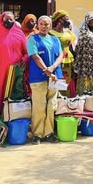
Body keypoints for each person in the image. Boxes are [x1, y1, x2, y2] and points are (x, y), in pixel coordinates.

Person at [27, 16, 64, 144]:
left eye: (47, 24)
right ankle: (37, 134)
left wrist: (53, 68)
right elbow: (35, 56)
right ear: (38, 25)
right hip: (38, 77)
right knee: (39, 105)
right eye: (41, 24)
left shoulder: (55, 39)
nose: (44, 26)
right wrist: (47, 70)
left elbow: (60, 55)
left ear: (50, 26)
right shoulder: (33, 39)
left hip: (54, 78)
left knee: (51, 105)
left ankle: (49, 133)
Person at [0, 11, 28, 116]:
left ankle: (11, 115)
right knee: (0, 89)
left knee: (12, 91)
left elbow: (26, 51)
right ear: (2, 20)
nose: (9, 21)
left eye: (11, 19)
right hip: (0, 69)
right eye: (6, 19)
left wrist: (24, 59)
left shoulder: (19, 33)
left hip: (14, 70)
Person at [50, 10, 76, 97]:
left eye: (68, 19)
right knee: (58, 80)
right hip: (56, 59)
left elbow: (72, 43)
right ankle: (57, 100)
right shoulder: (51, 33)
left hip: (68, 60)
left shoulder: (68, 32)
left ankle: (66, 101)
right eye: (65, 19)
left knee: (67, 80)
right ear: (58, 20)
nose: (67, 21)